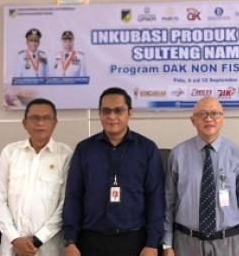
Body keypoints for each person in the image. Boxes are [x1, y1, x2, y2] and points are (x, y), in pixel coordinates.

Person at [62, 87, 165, 256]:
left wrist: (152, 243)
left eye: (118, 110)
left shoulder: (147, 149)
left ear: (130, 113)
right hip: (90, 241)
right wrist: (70, 240)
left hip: (134, 241)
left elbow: (155, 198)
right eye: (106, 111)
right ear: (99, 114)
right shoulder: (84, 149)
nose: (111, 116)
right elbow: (73, 196)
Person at [163, 97, 239, 256]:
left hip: (228, 242)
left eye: (214, 113)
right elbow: (168, 202)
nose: (208, 119)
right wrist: (167, 244)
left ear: (222, 118)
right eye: (202, 114)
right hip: (186, 242)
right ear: (193, 120)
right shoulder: (177, 155)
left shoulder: (236, 154)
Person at [0, 98, 73, 256]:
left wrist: (37, 239)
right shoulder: (10, 152)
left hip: (48, 247)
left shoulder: (65, 155)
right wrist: (15, 238)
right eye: (34, 118)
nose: (40, 123)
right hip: (12, 247)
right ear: (24, 123)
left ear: (55, 123)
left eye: (46, 118)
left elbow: (65, 204)